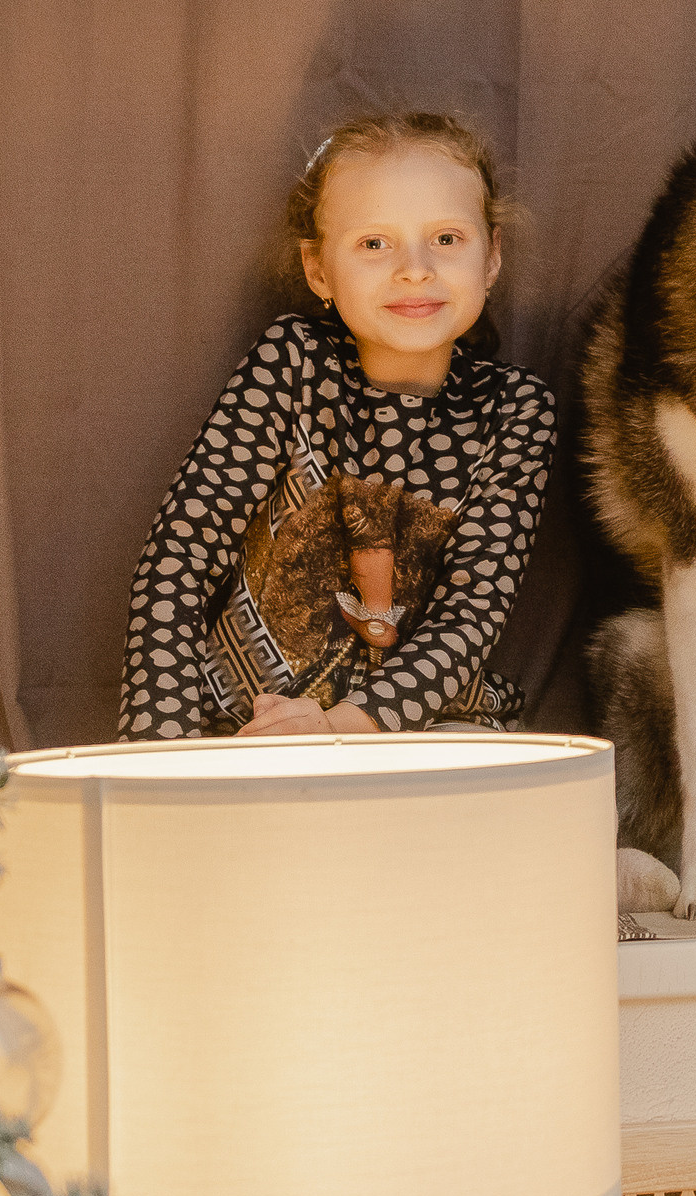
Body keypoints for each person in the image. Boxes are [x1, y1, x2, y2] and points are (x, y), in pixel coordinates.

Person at [117, 113, 556, 739]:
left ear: (492, 257)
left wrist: (345, 727)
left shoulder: (516, 408)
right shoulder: (292, 362)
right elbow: (179, 559)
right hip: (245, 719)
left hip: (415, 721)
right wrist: (161, 749)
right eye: (375, 244)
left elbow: (470, 616)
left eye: (448, 239)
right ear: (319, 269)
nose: (415, 269)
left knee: (485, 772)